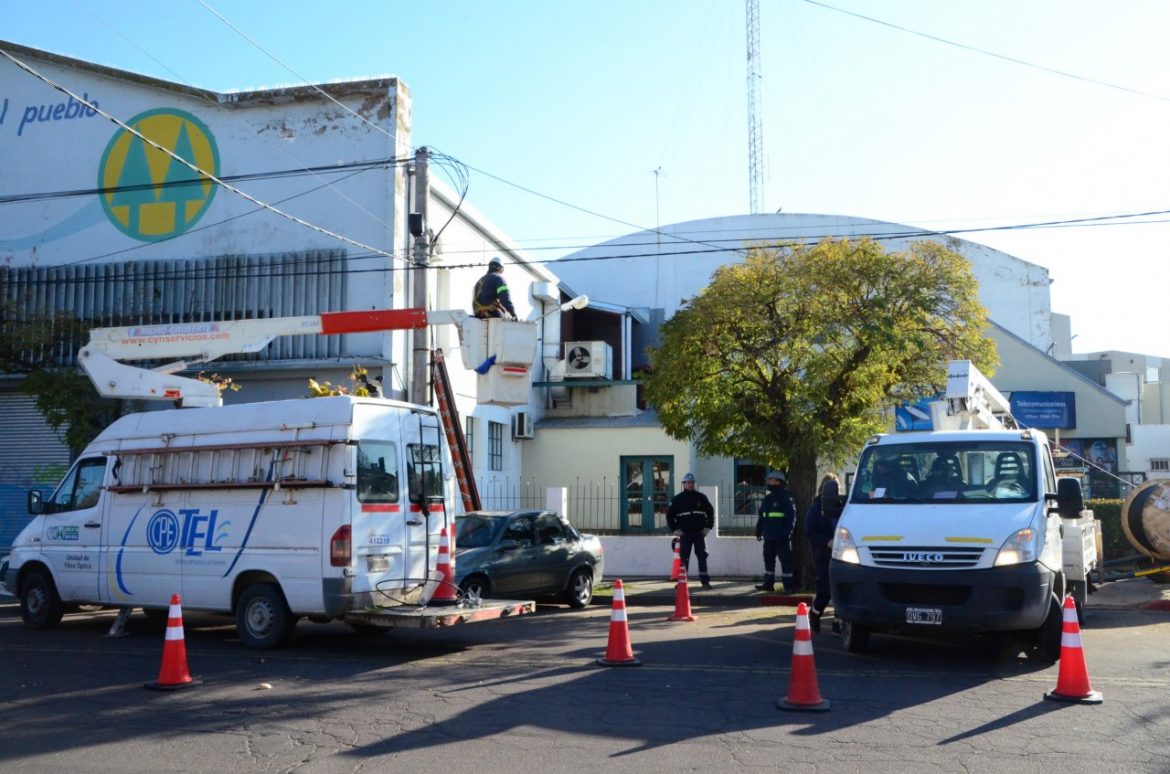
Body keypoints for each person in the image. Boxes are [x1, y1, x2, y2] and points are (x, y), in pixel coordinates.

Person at [805, 473, 844, 632]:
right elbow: (810, 531)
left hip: (842, 555)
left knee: (841, 590)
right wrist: (827, 541)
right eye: (831, 487)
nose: (835, 491)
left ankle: (838, 623)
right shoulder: (815, 509)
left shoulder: (843, 507)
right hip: (824, 554)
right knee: (825, 591)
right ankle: (815, 613)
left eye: (837, 487)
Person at [666, 472, 715, 589]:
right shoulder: (677, 499)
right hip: (685, 533)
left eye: (692, 482)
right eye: (688, 482)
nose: (690, 484)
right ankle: (682, 582)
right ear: (684, 484)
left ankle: (705, 582)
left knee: (702, 557)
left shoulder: (701, 497)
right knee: (684, 558)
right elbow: (669, 515)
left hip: (699, 533)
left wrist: (708, 527)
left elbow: (711, 512)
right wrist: (675, 529)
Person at [755, 470, 796, 592]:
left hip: (781, 537)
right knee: (768, 560)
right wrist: (758, 529)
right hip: (768, 536)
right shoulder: (767, 499)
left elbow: (791, 517)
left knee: (785, 562)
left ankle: (788, 586)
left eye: (770, 480)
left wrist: (786, 533)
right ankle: (768, 584)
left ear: (779, 482)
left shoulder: (786, 498)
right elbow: (762, 516)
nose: (768, 482)